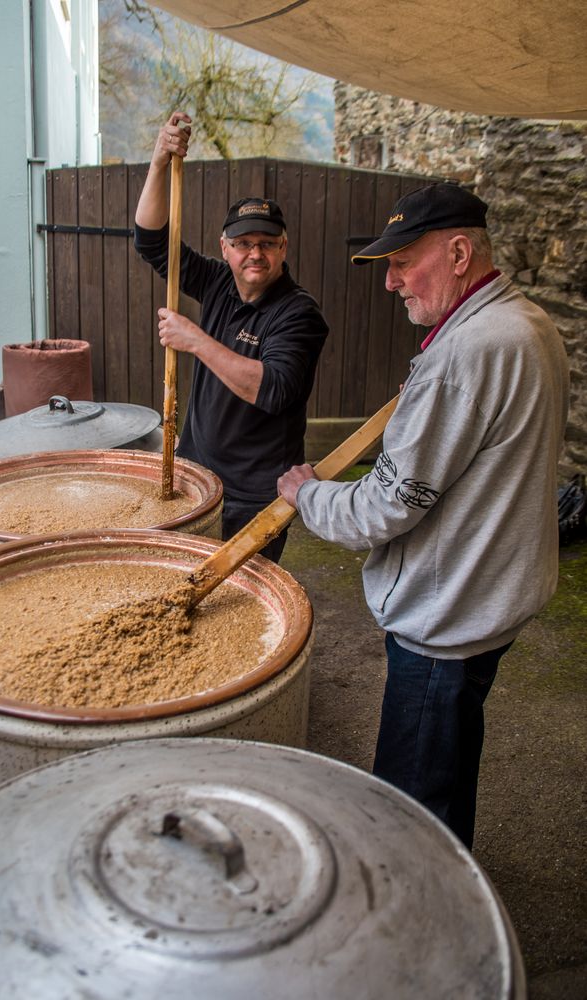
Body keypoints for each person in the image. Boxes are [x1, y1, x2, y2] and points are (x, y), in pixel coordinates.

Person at [278, 181, 570, 848]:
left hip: (447, 618)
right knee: (449, 765)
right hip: (491, 597)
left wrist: (308, 495)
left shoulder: (465, 354)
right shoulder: (528, 324)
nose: (392, 283)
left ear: (460, 253)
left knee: (410, 812)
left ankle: (426, 928)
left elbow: (386, 508)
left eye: (404, 262)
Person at [134, 111, 328, 563]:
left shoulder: (299, 314)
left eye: (266, 243)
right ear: (226, 248)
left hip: (254, 495)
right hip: (196, 475)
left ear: (283, 248)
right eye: (243, 244)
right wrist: (161, 159)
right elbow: (150, 240)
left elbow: (274, 390)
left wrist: (196, 340)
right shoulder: (218, 282)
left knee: (237, 600)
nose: (254, 254)